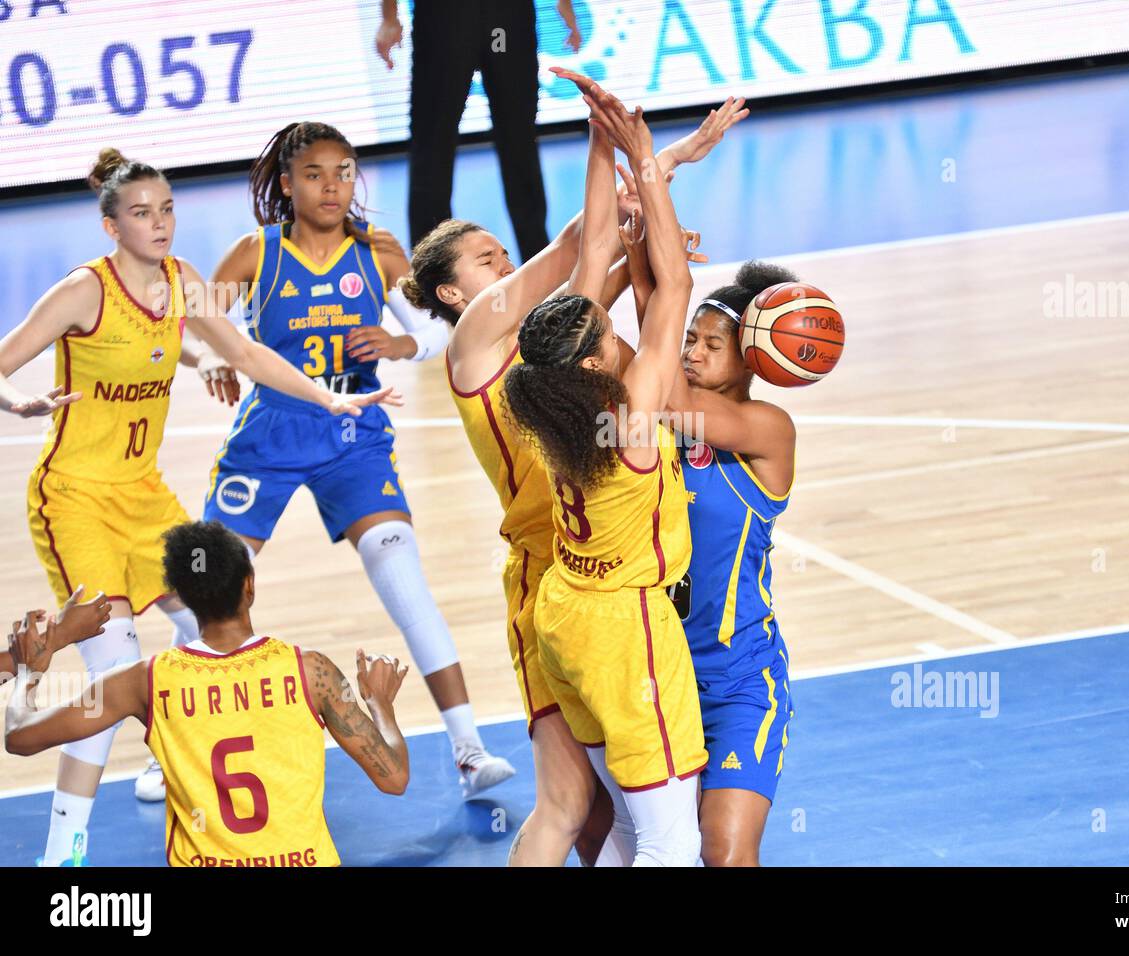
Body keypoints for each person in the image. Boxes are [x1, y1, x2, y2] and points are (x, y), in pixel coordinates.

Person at [0, 147, 400, 867]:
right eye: (142, 214)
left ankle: (173, 750)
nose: (160, 225)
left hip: (145, 496)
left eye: (168, 210)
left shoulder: (184, 282)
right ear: (111, 226)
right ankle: (63, 849)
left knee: (218, 627)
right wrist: (18, 399)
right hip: (75, 499)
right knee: (115, 662)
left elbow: (245, 354)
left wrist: (328, 394)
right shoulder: (80, 293)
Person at [401, 87, 745, 865]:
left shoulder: (540, 364)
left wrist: (625, 148)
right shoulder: (478, 350)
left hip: (570, 573)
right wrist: (640, 159)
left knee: (594, 810)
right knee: (574, 808)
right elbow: (578, 252)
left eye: (501, 251)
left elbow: (590, 251)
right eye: (486, 262)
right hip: (567, 580)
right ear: (455, 296)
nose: (503, 265)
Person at [202, 121, 513, 801]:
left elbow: (436, 325)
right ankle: (173, 739)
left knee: (401, 568)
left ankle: (468, 749)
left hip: (356, 432)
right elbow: (198, 319)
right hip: (274, 432)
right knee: (209, 583)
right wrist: (211, 360)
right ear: (286, 184)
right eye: (315, 173)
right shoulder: (256, 252)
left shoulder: (377, 252)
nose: (333, 186)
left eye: (344, 171)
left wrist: (402, 347)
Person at [502, 81, 708, 867]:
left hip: (564, 612)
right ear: (593, 360)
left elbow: (592, 260)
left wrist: (602, 143)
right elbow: (676, 289)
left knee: (620, 824)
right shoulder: (627, 425)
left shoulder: (544, 405)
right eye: (604, 329)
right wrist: (645, 157)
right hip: (625, 628)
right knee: (668, 839)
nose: (611, 316)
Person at [6, 520, 410, 867]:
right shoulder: (313, 671)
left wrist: (32, 668)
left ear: (181, 594)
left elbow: (20, 736)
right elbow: (395, 779)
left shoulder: (143, 681)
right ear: (248, 585)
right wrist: (381, 705)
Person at [622, 246, 800, 865]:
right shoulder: (663, 413)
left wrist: (666, 276)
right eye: (688, 338)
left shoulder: (767, 428)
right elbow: (654, 340)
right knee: (628, 838)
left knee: (723, 852)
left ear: (748, 356)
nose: (691, 352)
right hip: (655, 672)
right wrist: (641, 249)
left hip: (738, 678)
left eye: (709, 344)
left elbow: (673, 394)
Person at [376, 0, 583, 259]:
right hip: (446, 16)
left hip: (505, 16)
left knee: (519, 141)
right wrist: (389, 16)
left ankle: (539, 264)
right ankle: (432, 270)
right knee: (433, 145)